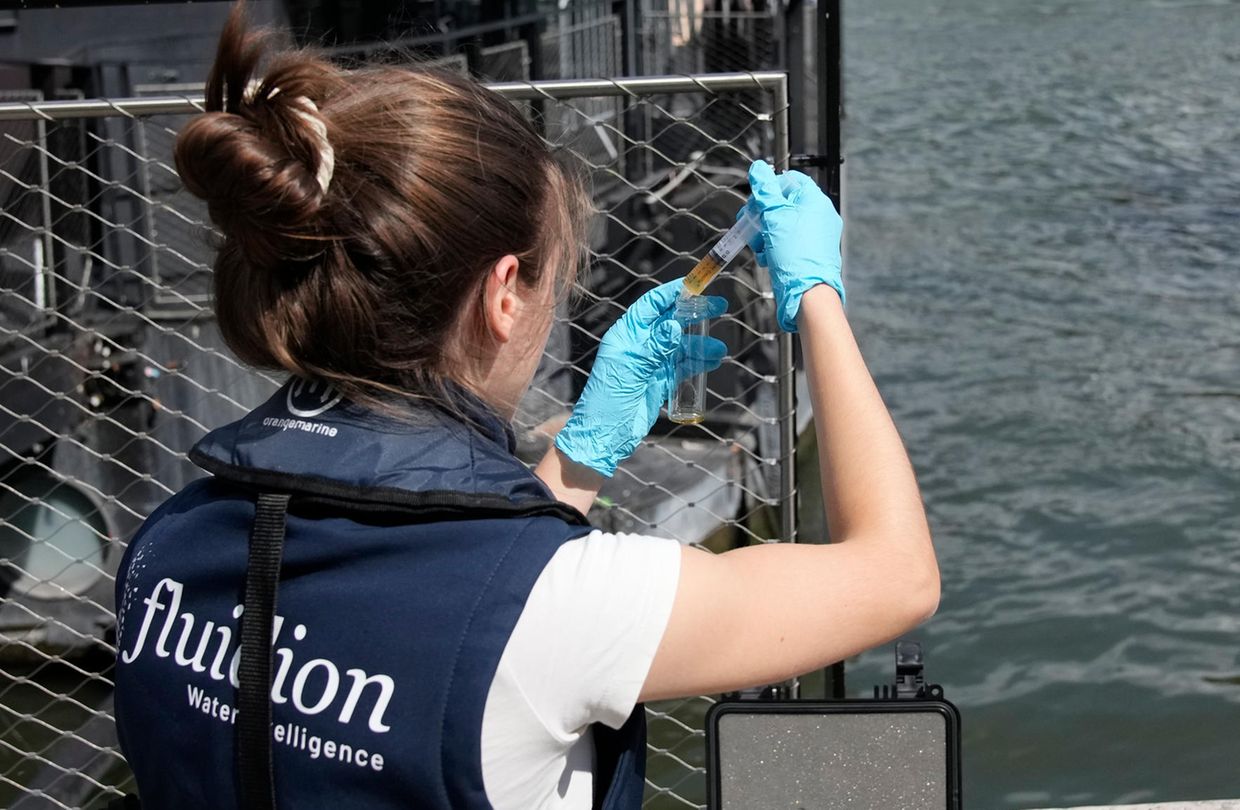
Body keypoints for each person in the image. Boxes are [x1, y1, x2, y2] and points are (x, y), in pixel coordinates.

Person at [112, 4, 940, 809]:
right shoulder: (571, 608)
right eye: (553, 277)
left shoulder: (169, 544)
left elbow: (443, 598)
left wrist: (579, 457)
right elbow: (896, 578)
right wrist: (819, 298)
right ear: (504, 293)